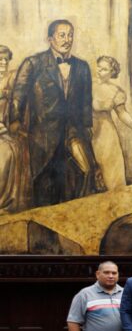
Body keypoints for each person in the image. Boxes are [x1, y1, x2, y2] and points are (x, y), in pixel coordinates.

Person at [7, 19, 103, 207]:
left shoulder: (82, 67)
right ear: (50, 39)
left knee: (85, 172)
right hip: (43, 134)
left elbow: (85, 101)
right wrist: (15, 120)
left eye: (70, 35)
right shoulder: (33, 63)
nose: (67, 40)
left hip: (73, 131)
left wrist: (87, 126)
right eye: (62, 35)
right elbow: (18, 94)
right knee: (45, 183)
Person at [90, 55, 132, 190]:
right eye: (99, 67)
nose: (99, 71)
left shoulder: (115, 91)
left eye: (104, 69)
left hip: (105, 133)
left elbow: (122, 114)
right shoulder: (87, 84)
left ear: (112, 72)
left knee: (111, 170)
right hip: (87, 129)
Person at [66, 260, 124, 331]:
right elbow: (73, 321)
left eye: (114, 273)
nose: (111, 276)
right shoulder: (84, 294)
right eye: (106, 273)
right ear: (97, 274)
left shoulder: (126, 293)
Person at [0, 44, 30, 213]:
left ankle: (5, 201)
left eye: (6, 59)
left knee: (8, 153)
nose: (3, 63)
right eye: (0, 59)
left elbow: (20, 100)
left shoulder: (12, 78)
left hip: (6, 128)